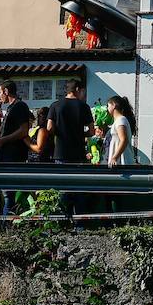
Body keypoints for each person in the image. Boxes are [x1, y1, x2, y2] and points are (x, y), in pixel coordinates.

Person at [47, 79, 94, 219]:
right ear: (78, 89)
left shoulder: (55, 105)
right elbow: (92, 131)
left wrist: (59, 133)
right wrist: (81, 134)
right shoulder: (84, 107)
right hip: (79, 153)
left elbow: (49, 127)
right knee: (79, 189)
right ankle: (80, 222)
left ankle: (63, 221)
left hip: (61, 153)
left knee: (62, 189)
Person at [0, 80, 32, 220]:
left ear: (6, 91)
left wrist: (3, 141)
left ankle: (6, 225)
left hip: (10, 156)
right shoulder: (10, 108)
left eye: (0, 92)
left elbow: (23, 130)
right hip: (1, 155)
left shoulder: (19, 106)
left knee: (8, 194)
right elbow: (1, 131)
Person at [106, 96, 136, 167]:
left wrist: (114, 157)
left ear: (113, 105)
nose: (107, 108)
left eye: (108, 105)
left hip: (122, 162)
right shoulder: (118, 121)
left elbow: (124, 140)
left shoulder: (121, 120)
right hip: (118, 163)